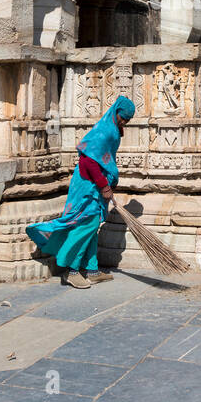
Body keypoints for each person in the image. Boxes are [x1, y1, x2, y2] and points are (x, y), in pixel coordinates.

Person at [25, 95, 134, 289]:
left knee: (92, 228)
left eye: (128, 120)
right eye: (123, 117)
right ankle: (72, 271)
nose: (124, 122)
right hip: (87, 186)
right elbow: (88, 161)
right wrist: (104, 186)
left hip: (95, 186)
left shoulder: (112, 129)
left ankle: (92, 270)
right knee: (85, 226)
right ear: (116, 112)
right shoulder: (104, 131)